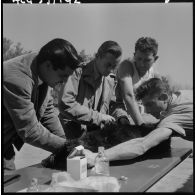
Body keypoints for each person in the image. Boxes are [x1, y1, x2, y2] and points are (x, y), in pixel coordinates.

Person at [3, 38, 80, 171]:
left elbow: (47, 112)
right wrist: (70, 147)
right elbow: (30, 131)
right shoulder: (17, 78)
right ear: (49, 65)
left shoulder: (43, 70)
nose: (65, 81)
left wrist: (66, 143)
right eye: (63, 76)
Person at [82, 77, 193, 166]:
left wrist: (96, 156)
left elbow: (141, 145)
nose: (148, 111)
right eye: (145, 106)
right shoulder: (183, 94)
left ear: (164, 97)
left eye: (150, 104)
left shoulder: (171, 119)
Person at [57, 40, 129, 139]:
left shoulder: (111, 80)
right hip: (72, 134)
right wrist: (98, 117)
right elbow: (65, 103)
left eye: (114, 66)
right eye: (108, 65)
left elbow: (113, 104)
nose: (111, 70)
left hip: (96, 136)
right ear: (97, 56)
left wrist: (122, 117)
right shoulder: (77, 72)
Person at [115, 37, 159, 126]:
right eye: (139, 59)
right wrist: (141, 125)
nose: (142, 64)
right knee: (126, 126)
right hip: (120, 109)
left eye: (147, 60)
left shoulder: (154, 74)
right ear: (134, 55)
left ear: (155, 59)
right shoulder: (126, 66)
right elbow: (128, 95)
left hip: (142, 112)